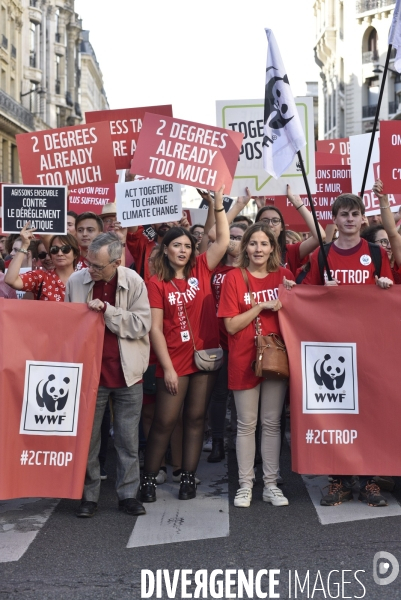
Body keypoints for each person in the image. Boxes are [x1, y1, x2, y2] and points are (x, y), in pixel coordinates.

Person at [302, 192, 393, 507]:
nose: (350, 219)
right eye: (344, 214)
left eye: (355, 214)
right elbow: (303, 295)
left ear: (363, 218)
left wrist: (383, 286)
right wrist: (317, 292)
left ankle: (369, 481)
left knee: (369, 414)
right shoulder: (321, 255)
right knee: (337, 415)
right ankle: (338, 481)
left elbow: (391, 296)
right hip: (333, 349)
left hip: (371, 348)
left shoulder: (377, 253)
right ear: (335, 220)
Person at [140, 186, 229, 502]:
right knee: (164, 422)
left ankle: (188, 478)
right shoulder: (156, 282)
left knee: (195, 419)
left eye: (187, 246)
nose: (183, 250)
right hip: (173, 361)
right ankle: (148, 480)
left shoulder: (202, 268)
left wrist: (217, 207)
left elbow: (224, 240)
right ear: (165, 249)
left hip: (204, 357)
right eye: (176, 245)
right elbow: (154, 328)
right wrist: (167, 368)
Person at [65, 232, 151, 518]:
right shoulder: (76, 281)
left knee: (127, 440)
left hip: (128, 373)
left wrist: (108, 312)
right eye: (88, 261)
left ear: (116, 262)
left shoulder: (134, 281)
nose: (90, 269)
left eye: (98, 266)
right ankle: (88, 496)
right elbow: (66, 326)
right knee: (88, 439)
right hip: (90, 374)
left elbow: (141, 325)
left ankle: (128, 495)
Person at [218, 223, 295, 508]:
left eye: (264, 244)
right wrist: (260, 307)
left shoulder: (284, 276)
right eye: (253, 244)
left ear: (273, 247)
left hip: (276, 357)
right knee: (246, 424)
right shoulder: (233, 278)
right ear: (245, 247)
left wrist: (292, 293)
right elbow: (231, 325)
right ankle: (245, 485)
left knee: (272, 423)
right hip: (243, 357)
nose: (258, 249)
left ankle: (271, 484)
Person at [254, 185, 326, 276]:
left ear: (282, 227)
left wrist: (298, 203)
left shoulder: (290, 251)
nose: (270, 224)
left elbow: (320, 236)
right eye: (265, 221)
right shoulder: (249, 249)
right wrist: (239, 205)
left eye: (275, 220)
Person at [5, 224, 79, 301]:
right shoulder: (40, 277)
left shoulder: (85, 278)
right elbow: (10, 280)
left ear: (75, 254)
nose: (59, 253)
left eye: (65, 249)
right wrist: (24, 246)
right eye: (54, 249)